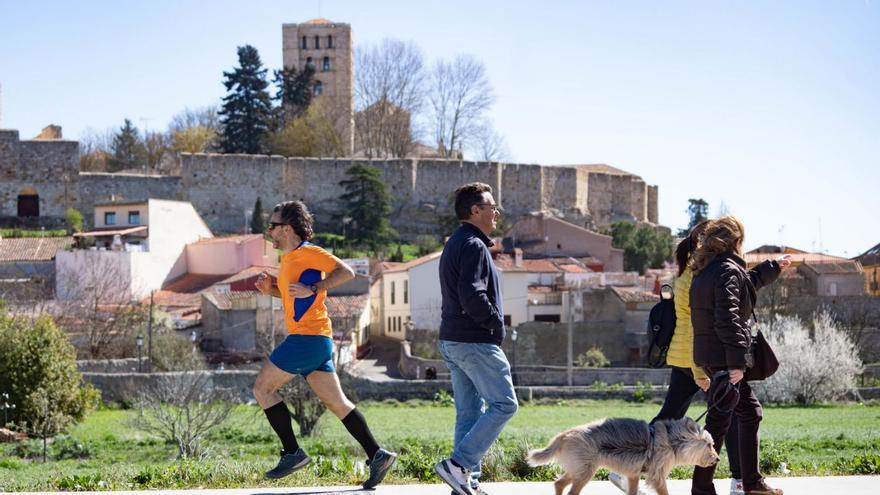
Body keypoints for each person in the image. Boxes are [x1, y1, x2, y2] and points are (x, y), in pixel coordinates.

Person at [254, 200, 396, 489]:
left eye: (273, 225)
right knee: (337, 403)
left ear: (288, 228)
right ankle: (378, 455)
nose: (268, 231)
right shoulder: (288, 260)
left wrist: (316, 287)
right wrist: (272, 290)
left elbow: (346, 272)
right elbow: (295, 297)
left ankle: (292, 453)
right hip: (317, 339)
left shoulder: (307, 252)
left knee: (262, 389)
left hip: (307, 337)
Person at [610, 221, 745, 495]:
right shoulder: (699, 277)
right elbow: (699, 326)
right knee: (727, 416)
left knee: (668, 417)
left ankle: (626, 469)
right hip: (698, 360)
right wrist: (699, 371)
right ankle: (739, 480)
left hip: (682, 356)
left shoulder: (688, 272)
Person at [689, 216, 790, 495]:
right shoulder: (727, 272)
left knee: (724, 418)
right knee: (742, 414)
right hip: (724, 357)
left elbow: (745, 286)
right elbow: (728, 318)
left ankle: (717, 485)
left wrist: (772, 268)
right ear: (736, 241)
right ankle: (743, 483)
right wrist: (737, 362)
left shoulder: (710, 271)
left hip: (711, 355)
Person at [434, 182, 518, 495]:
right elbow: (472, 293)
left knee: (469, 412)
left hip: (453, 340)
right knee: (504, 404)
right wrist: (495, 324)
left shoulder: (456, 242)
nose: (496, 212)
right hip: (473, 340)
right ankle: (459, 465)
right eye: (491, 206)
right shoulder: (473, 245)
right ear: (475, 210)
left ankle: (466, 480)